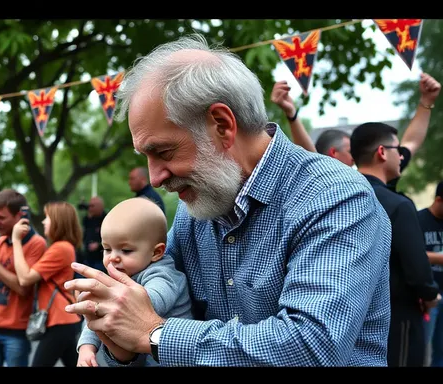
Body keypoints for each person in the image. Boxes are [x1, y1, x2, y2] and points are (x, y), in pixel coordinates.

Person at [64, 33, 392, 367]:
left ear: (222, 125)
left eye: (162, 152)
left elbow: (310, 346)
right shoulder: (196, 213)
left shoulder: (335, 196)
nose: (154, 178)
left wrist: (156, 335)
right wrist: (117, 343)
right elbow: (143, 322)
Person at [351, 122, 441, 367]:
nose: (402, 156)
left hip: (348, 313)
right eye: (397, 149)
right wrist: (430, 294)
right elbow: (417, 268)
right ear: (382, 152)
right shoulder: (398, 205)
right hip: (396, 314)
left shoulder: (340, 195)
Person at [270, 73, 441, 193]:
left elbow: (410, 143)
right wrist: (292, 115)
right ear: (333, 153)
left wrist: (427, 102)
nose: (355, 157)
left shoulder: (381, 172)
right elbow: (309, 156)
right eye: (351, 150)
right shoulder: (331, 187)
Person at [76, 197, 192, 367]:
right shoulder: (124, 275)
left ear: (156, 252)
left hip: (177, 357)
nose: (113, 257)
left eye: (126, 250)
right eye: (107, 249)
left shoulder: (164, 274)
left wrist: (106, 301)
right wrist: (87, 348)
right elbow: (96, 318)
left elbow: (149, 302)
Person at [0, 189, 47, 367]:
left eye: (1, 218)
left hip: (15, 332)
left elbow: (24, 287)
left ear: (19, 216)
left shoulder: (36, 243)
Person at [7, 201, 83, 367]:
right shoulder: (62, 247)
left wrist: (16, 241)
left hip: (60, 321)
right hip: (63, 320)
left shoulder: (61, 248)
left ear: (57, 221)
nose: (43, 221)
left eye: (47, 218)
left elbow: (25, 278)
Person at [420, 181, 443, 366]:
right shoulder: (418, 219)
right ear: (438, 200)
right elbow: (412, 254)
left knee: (441, 348)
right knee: (422, 347)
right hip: (428, 297)